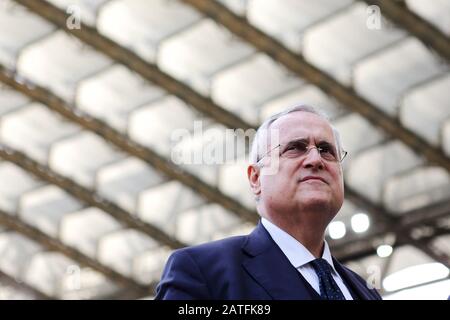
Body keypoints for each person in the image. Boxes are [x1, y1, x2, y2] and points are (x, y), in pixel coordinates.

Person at [155, 105, 382, 300]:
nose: (315, 159)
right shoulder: (203, 272)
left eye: (326, 150)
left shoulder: (366, 292)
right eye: (295, 148)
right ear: (256, 178)